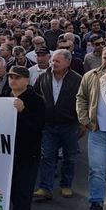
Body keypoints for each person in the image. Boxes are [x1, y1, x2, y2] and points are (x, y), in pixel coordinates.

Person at [32, 49, 83, 201]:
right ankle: (45, 188)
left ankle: (66, 185)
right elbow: (36, 97)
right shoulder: (43, 77)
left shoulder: (77, 79)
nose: (54, 64)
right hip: (48, 125)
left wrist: (82, 123)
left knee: (69, 158)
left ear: (68, 63)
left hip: (69, 125)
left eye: (57, 61)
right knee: (47, 156)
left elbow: (82, 101)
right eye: (53, 60)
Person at [76, 45, 106, 210]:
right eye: (105, 58)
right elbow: (81, 98)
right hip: (98, 132)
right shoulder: (91, 76)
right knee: (97, 169)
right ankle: (96, 202)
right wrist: (84, 120)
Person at [7, 66, 45, 210]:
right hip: (6, 154)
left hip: (27, 156)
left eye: (17, 77)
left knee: (22, 195)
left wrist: (23, 111)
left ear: (27, 80)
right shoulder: (4, 95)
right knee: (3, 193)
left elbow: (37, 127)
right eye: (11, 77)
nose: (13, 80)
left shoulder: (37, 100)